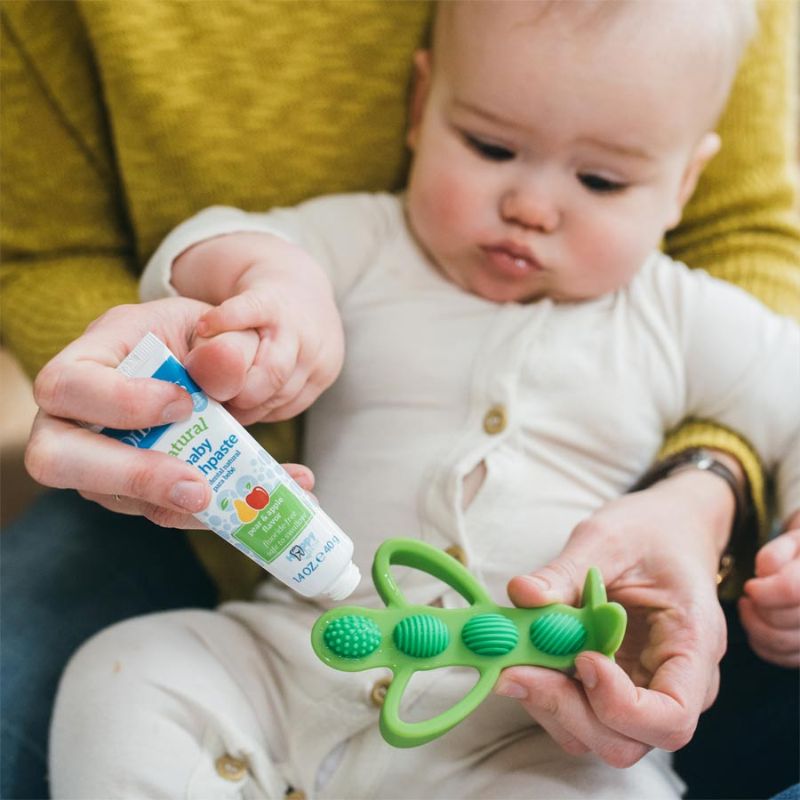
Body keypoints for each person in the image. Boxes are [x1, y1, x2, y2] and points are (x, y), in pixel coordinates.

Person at [2, 0, 797, 798]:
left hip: (531, 720)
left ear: (683, 184)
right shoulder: (370, 246)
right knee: (133, 675)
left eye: (601, 180)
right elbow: (205, 241)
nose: (532, 205)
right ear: (423, 108)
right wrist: (269, 283)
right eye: (490, 146)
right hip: (296, 652)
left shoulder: (682, 317)